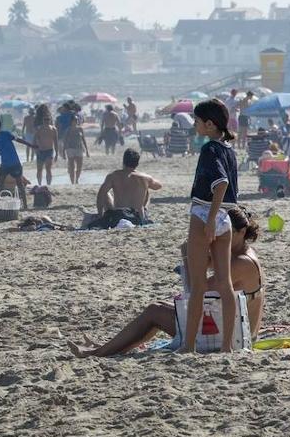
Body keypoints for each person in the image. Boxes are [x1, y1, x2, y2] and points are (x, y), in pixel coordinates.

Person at [69, 207, 262, 357]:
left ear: (242, 231)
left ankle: (99, 353)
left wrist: (188, 256)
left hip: (236, 336)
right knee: (159, 308)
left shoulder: (241, 262)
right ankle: (106, 348)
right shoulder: (242, 253)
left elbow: (195, 292)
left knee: (155, 311)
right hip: (234, 328)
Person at [183, 99, 240, 353]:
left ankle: (188, 346)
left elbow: (221, 184)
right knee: (225, 286)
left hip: (205, 214)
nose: (194, 125)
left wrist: (208, 221)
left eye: (197, 121)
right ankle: (227, 346)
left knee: (198, 286)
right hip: (225, 220)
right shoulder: (229, 149)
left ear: (209, 124)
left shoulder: (209, 150)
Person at [91, 148, 162, 226]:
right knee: (147, 190)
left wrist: (100, 214)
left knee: (105, 192)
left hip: (118, 215)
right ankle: (143, 213)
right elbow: (158, 186)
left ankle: (104, 214)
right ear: (137, 163)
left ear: (123, 161)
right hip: (136, 216)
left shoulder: (113, 176)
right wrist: (147, 179)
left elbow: (101, 194)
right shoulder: (145, 177)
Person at [33, 105, 57, 186]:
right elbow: (34, 140)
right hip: (40, 151)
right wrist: (36, 150)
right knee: (39, 169)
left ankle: (48, 184)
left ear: (50, 120)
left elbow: (55, 142)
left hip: (49, 151)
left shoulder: (53, 129)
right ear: (42, 120)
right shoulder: (39, 129)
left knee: (48, 169)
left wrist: (56, 153)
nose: (46, 121)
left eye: (48, 119)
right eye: (45, 120)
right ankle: (39, 184)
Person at [63, 118, 90, 184]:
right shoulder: (68, 129)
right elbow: (65, 140)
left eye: (76, 121)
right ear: (71, 122)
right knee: (71, 166)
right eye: (73, 121)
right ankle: (72, 181)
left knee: (79, 165)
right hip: (70, 148)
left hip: (79, 148)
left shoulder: (80, 129)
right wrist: (63, 151)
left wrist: (87, 150)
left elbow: (83, 139)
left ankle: (77, 179)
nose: (75, 122)